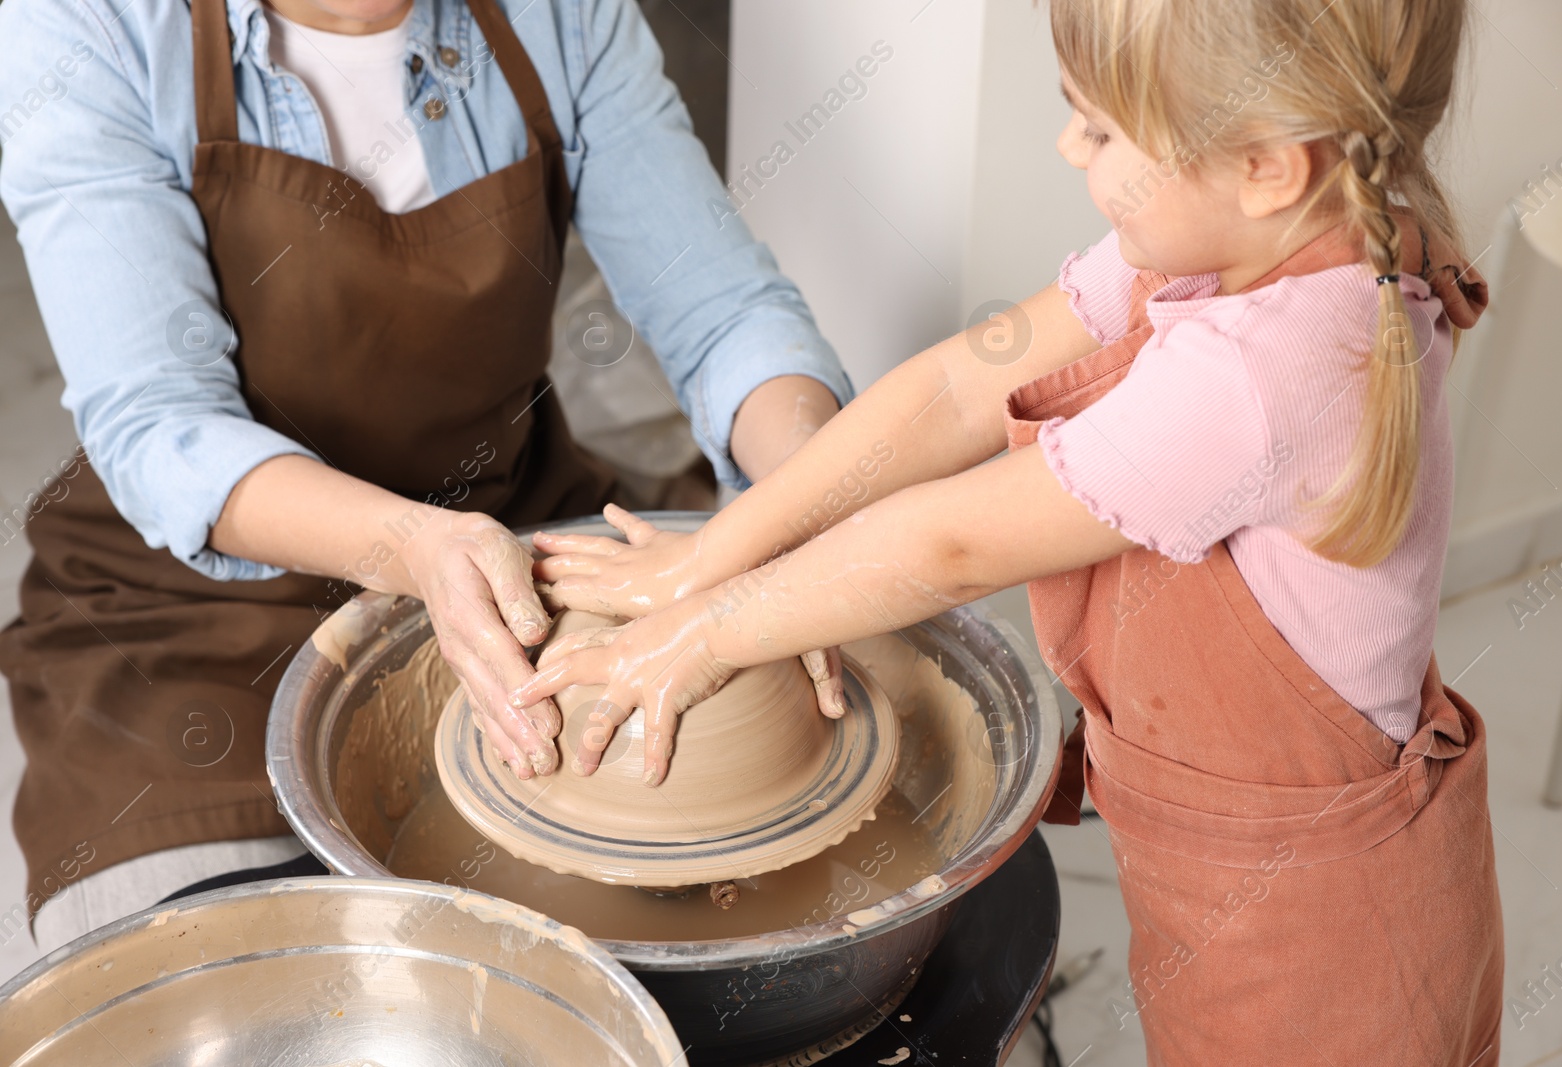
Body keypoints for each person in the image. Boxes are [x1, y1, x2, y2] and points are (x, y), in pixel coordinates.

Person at [518, 0, 1505, 1061]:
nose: (1066, 145)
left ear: (1267, 163)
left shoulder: (1265, 375)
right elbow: (954, 388)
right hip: (1233, 870)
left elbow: (949, 545)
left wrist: (703, 634)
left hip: (1325, 939)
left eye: (1099, 127)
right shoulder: (1244, 237)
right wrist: (720, 549)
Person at [0, 0, 851, 951]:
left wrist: (799, 506)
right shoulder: (86, 24)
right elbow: (161, 425)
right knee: (218, 989)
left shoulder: (560, 16)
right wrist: (416, 546)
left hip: (511, 545)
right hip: (189, 617)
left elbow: (726, 313)